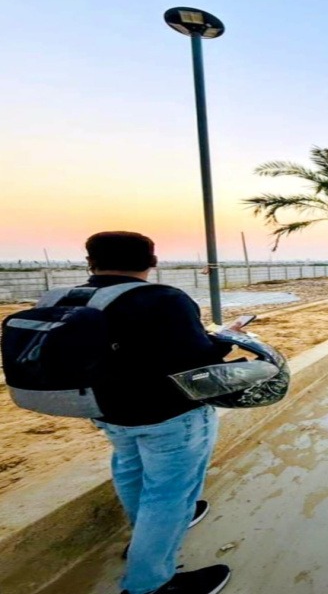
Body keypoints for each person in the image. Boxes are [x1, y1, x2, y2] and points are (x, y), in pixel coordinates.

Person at [84, 231, 232, 594]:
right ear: (152, 262)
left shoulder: (74, 298)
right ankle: (149, 584)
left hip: (105, 410)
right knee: (169, 495)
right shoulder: (164, 299)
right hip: (169, 414)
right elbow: (199, 358)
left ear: (90, 262)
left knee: (130, 470)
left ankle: (144, 542)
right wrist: (225, 339)